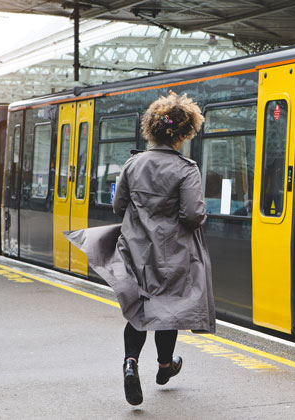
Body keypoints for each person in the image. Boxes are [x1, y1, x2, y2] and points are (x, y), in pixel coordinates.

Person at [64, 91, 215, 406]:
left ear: (152, 129)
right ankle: (164, 366)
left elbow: (119, 205)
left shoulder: (132, 164)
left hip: (135, 250)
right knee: (169, 309)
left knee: (140, 310)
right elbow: (192, 214)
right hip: (173, 253)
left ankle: (130, 363)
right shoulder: (187, 169)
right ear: (185, 133)